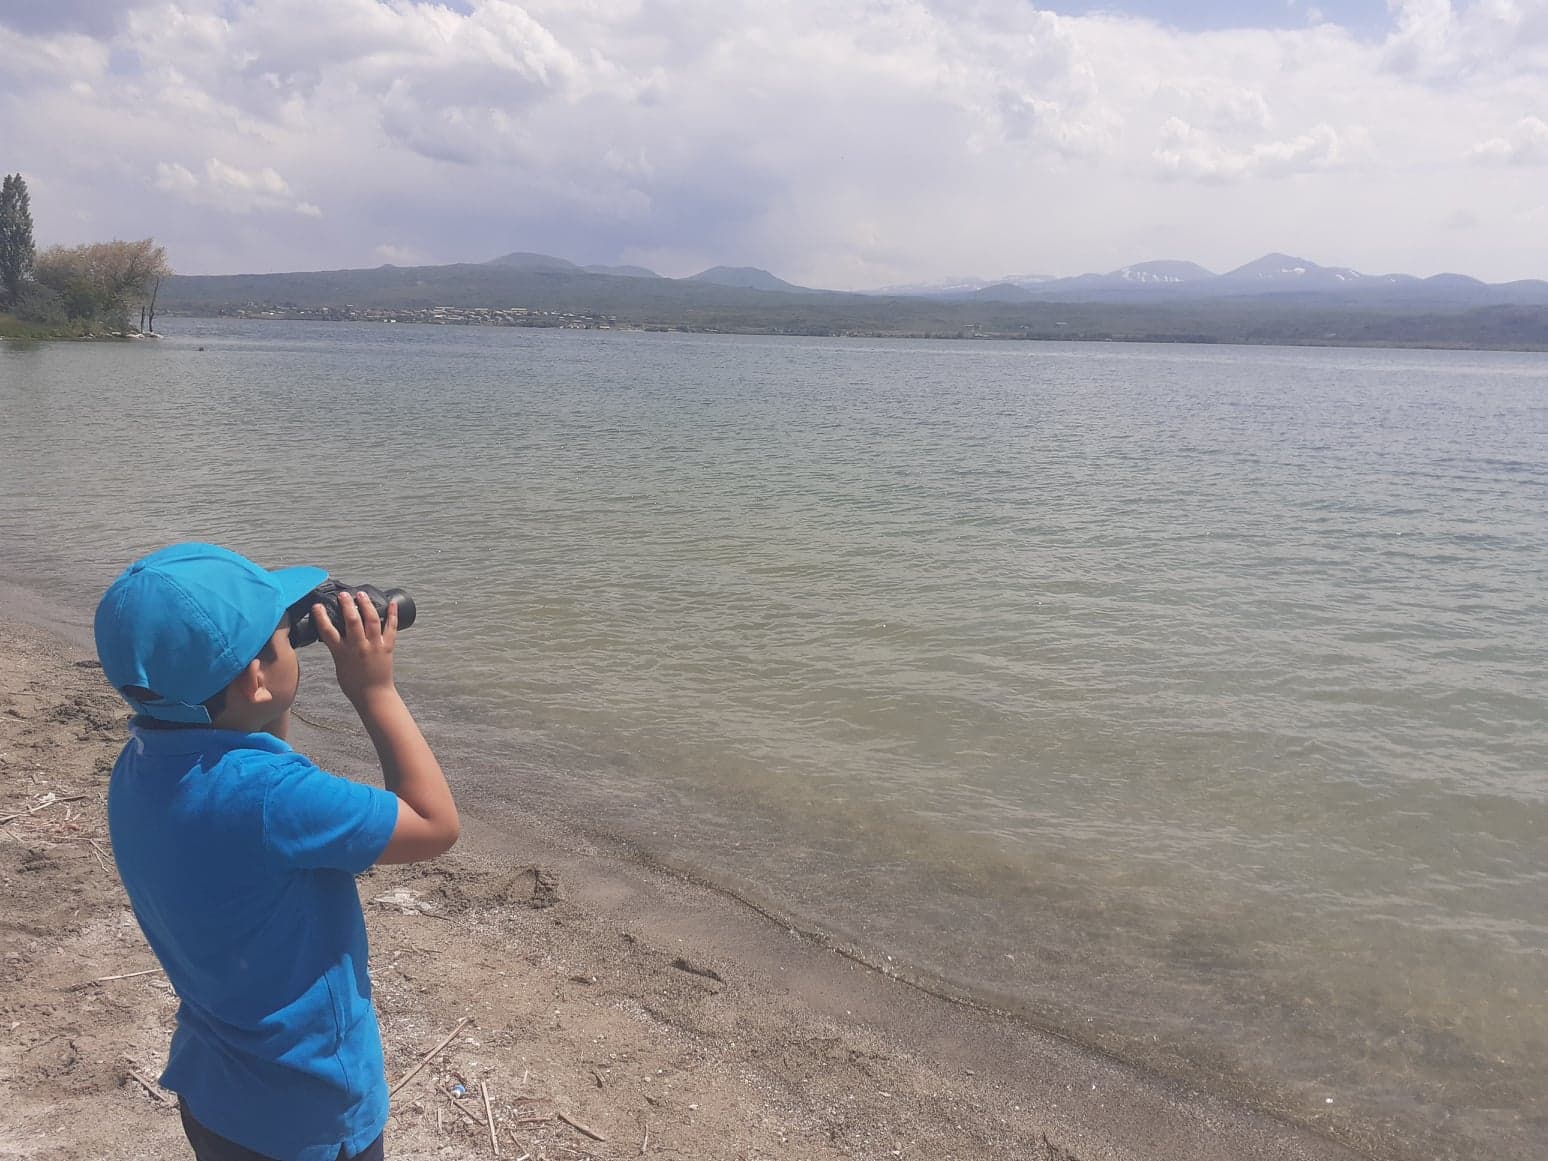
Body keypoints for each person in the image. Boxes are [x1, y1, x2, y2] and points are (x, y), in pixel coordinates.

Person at [93, 542, 460, 1161]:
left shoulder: (144, 765)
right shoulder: (276, 800)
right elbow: (434, 825)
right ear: (254, 680)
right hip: (307, 1111)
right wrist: (373, 689)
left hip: (218, 1093)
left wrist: (271, 674)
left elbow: (250, 746)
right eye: (285, 636)